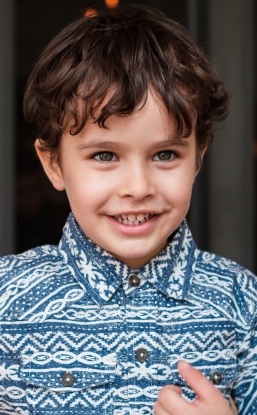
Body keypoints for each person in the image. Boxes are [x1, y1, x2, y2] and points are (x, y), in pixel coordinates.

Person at [0, 5, 256, 415]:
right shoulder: (7, 297)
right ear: (54, 164)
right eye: (104, 155)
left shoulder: (242, 301)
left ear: (198, 157)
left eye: (166, 154)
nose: (138, 188)